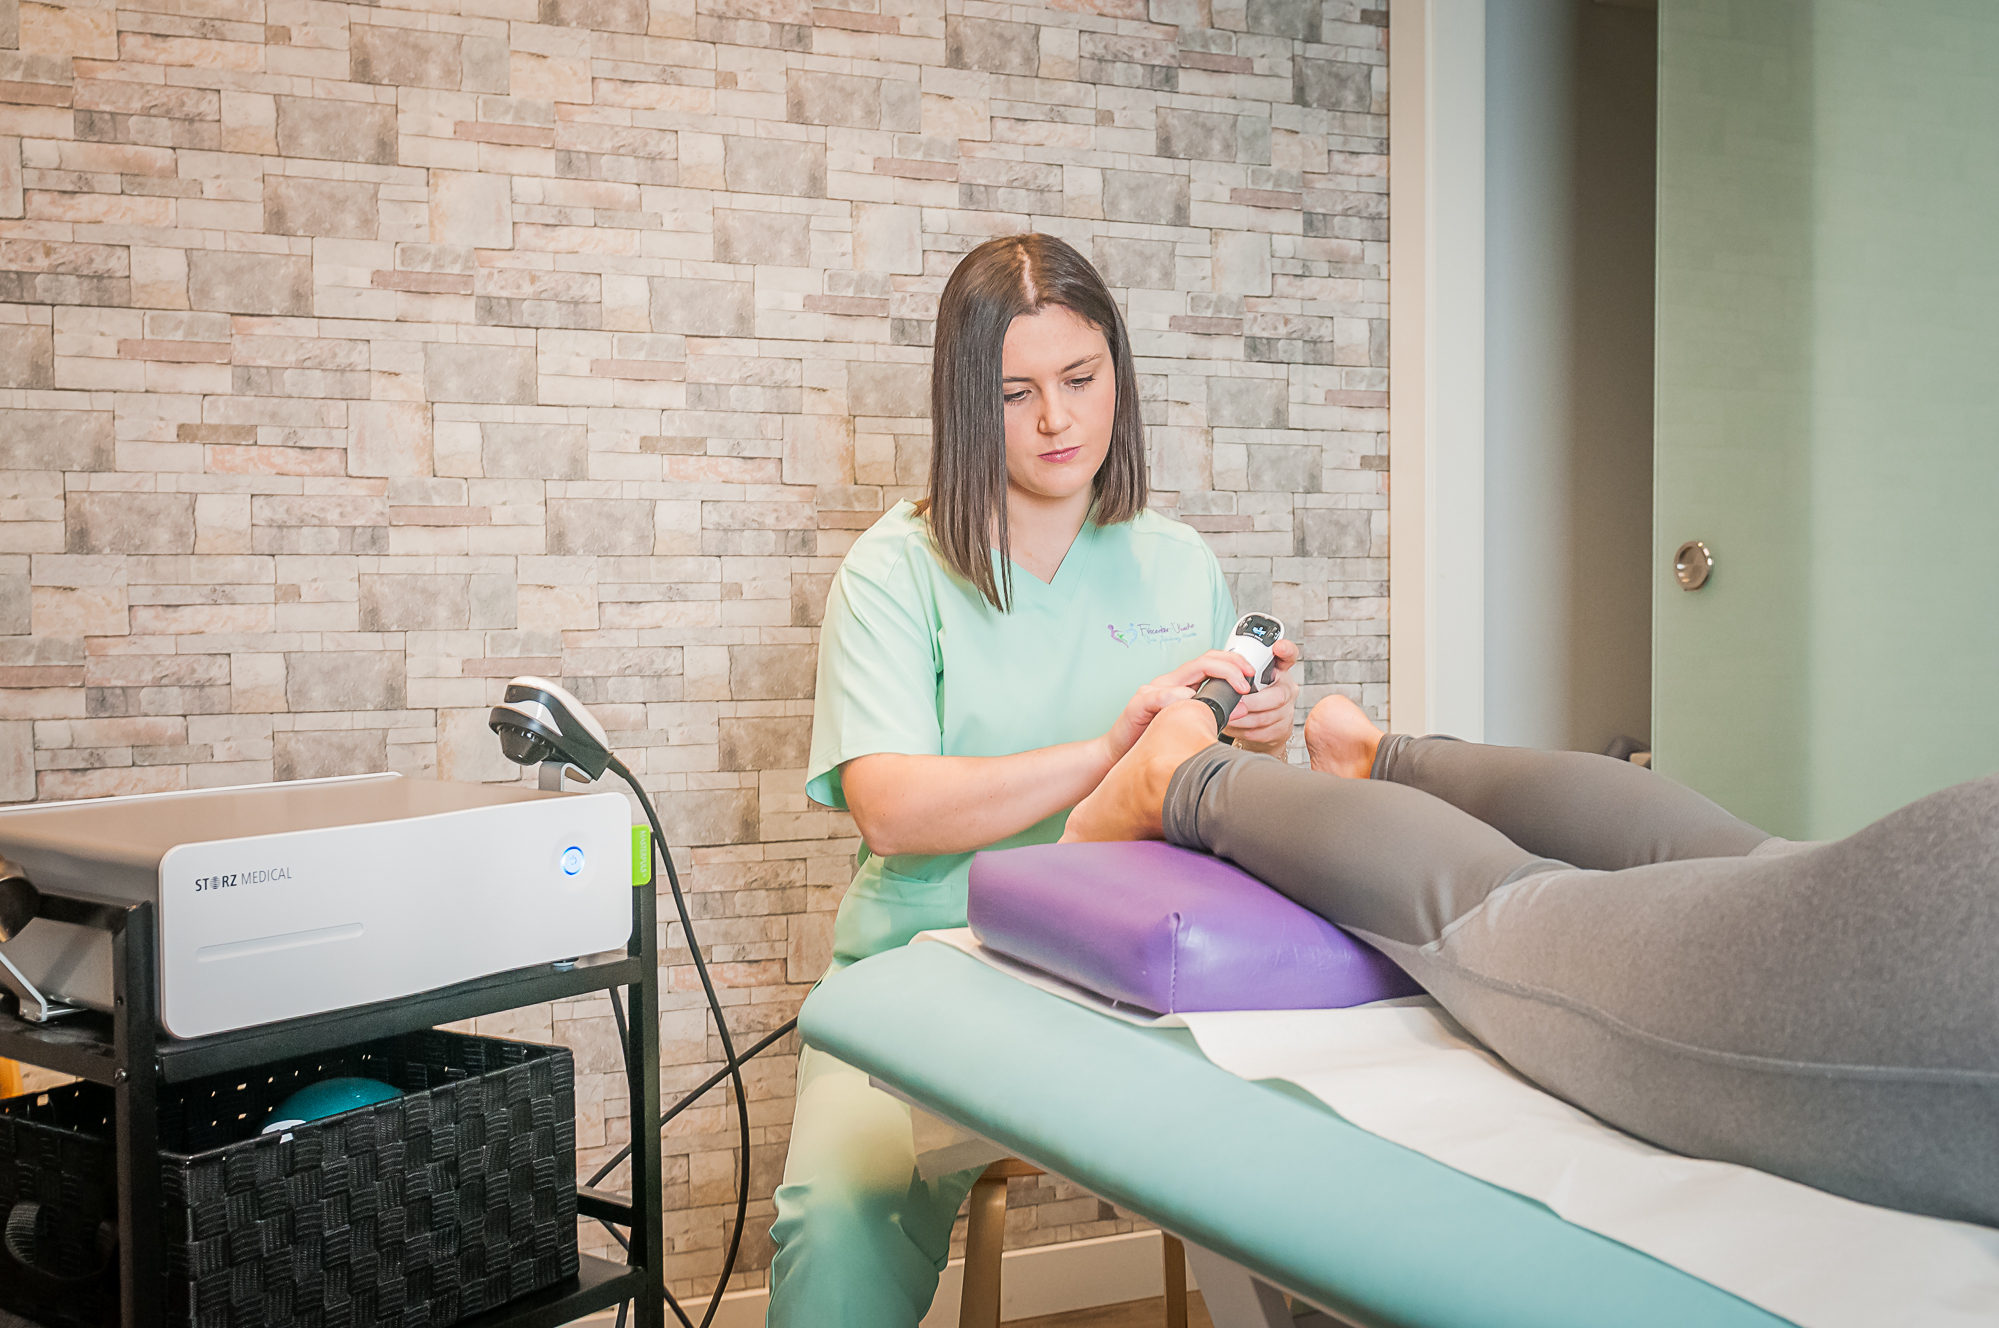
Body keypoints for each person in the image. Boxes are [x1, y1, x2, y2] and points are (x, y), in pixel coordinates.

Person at [768, 234, 1303, 1324]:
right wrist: (1110, 750)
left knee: (1303, 1176)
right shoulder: (895, 570)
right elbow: (891, 806)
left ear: (1118, 376)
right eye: (1016, 392)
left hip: (1133, 979)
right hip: (929, 973)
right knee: (835, 1222)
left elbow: (1208, 795)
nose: (1057, 419)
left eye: (1080, 379)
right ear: (967, 400)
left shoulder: (1176, 561)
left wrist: (1260, 731)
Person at [1062, 692, 1999, 1227]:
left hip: (1958, 866)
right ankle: (1182, 778)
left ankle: (1382, 755)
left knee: (1741, 864)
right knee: (1500, 909)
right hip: (1941, 997)